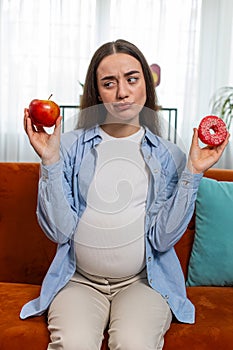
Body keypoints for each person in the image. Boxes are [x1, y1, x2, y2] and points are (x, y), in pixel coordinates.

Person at [22, 39, 229, 350]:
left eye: (132, 79)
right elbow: (59, 231)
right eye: (109, 83)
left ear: (145, 84)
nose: (122, 92)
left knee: (135, 343)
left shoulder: (170, 156)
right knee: (73, 344)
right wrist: (50, 160)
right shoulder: (65, 147)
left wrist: (193, 173)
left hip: (144, 283)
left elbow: (162, 240)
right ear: (97, 92)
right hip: (78, 281)